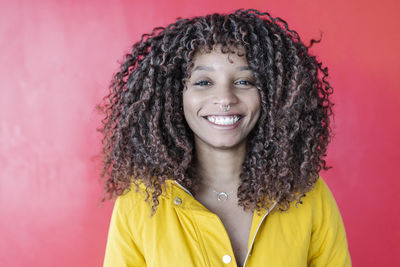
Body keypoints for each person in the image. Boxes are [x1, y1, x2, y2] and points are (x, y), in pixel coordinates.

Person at [99, 9, 351, 266]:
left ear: (273, 96)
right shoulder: (138, 203)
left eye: (244, 82)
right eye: (203, 82)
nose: (225, 99)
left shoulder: (307, 194)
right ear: (175, 95)